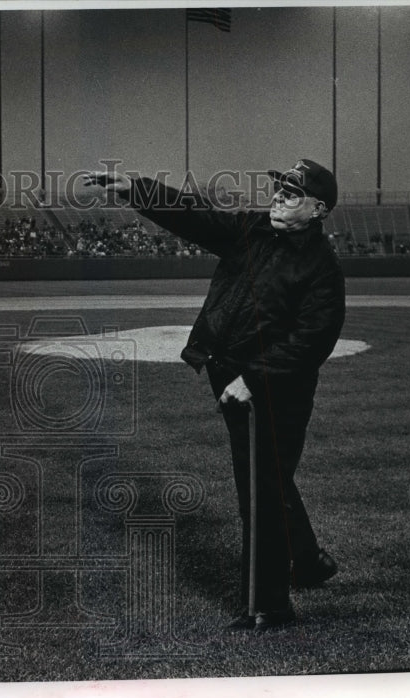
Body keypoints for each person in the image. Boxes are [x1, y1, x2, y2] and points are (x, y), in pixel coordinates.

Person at [86, 159, 346, 632]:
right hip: (229, 376)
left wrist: (254, 379)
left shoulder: (321, 268)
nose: (278, 197)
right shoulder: (253, 230)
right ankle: (307, 561)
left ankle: (269, 606)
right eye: (279, 189)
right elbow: (195, 215)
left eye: (291, 193)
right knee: (271, 479)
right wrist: (138, 188)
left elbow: (313, 339)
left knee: (261, 493)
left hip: (269, 391)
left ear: (318, 209)